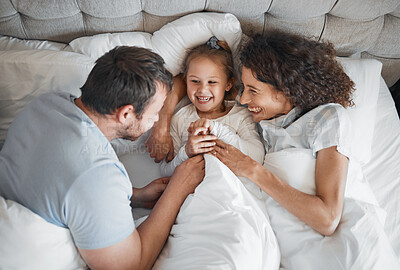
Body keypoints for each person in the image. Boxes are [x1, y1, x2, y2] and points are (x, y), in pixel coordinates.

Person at [0, 46, 205, 270]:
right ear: (126, 114)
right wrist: (177, 189)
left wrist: (133, 196)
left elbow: (51, 180)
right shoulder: (97, 175)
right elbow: (131, 266)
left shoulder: (45, 104)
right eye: (155, 113)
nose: (156, 120)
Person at [212, 31, 399, 268]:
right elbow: (202, 57)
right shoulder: (263, 125)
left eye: (253, 90)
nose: (243, 100)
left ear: (285, 89)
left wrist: (252, 170)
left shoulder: (327, 118)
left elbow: (328, 219)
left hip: (350, 252)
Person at [158, 36, 264, 198]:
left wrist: (217, 130)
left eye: (212, 82)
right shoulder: (180, 119)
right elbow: (164, 172)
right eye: (195, 81)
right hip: (197, 196)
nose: (202, 90)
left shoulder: (241, 116)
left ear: (228, 84)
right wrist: (186, 152)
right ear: (185, 80)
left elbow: (257, 156)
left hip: (233, 194)